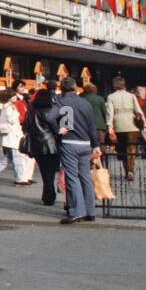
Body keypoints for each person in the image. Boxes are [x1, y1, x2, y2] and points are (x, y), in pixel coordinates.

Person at [54, 77, 101, 224]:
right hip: (85, 144)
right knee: (85, 177)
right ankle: (90, 211)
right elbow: (92, 126)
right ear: (75, 87)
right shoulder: (85, 103)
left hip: (69, 142)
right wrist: (96, 145)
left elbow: (50, 116)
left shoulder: (61, 102)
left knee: (72, 178)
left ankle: (77, 211)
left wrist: (59, 128)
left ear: (62, 88)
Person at [24, 89, 61, 207]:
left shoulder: (30, 111)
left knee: (44, 172)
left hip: (36, 144)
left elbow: (25, 127)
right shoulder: (50, 110)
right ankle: (49, 196)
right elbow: (56, 127)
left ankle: (47, 195)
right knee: (50, 172)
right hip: (50, 144)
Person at [105, 76, 146, 181]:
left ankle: (126, 169)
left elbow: (110, 113)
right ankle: (130, 171)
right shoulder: (132, 96)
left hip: (118, 126)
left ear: (114, 85)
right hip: (132, 126)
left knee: (122, 150)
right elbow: (138, 111)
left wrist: (110, 126)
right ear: (124, 84)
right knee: (131, 149)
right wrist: (144, 124)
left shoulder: (111, 97)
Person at [0, 90, 31, 184]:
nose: (15, 98)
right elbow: (11, 120)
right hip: (11, 137)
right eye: (13, 96)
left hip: (9, 137)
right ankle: (20, 179)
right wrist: (17, 114)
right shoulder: (9, 107)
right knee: (17, 158)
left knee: (6, 159)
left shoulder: (6, 106)